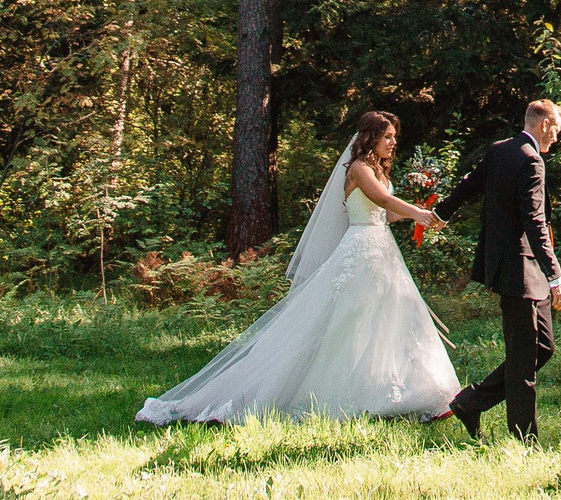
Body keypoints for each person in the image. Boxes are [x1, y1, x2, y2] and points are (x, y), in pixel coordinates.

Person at [136, 111, 457, 425]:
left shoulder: (380, 173)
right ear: (371, 137)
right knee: (347, 322)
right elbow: (384, 202)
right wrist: (417, 213)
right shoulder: (359, 168)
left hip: (381, 251)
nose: (392, 143)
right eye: (387, 136)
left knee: (389, 318)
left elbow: (385, 214)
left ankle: (407, 393)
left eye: (394, 138)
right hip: (360, 252)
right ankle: (336, 395)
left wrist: (421, 215)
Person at [433, 98, 561, 442]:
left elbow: (467, 185)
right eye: (556, 130)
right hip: (520, 271)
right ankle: (525, 440)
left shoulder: (500, 150)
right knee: (523, 359)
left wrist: (441, 213)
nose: (556, 137)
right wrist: (556, 276)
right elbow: (536, 222)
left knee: (543, 349)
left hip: (521, 269)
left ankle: (472, 402)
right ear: (544, 125)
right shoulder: (530, 160)